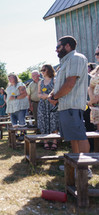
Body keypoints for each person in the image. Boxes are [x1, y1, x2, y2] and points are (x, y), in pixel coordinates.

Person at [48, 36, 90, 175]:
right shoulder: (65, 62)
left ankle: (85, 169)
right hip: (65, 106)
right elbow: (61, 85)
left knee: (79, 136)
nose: (56, 50)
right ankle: (76, 165)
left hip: (72, 105)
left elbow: (70, 83)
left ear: (67, 46)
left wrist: (55, 97)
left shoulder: (76, 58)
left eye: (58, 47)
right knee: (73, 137)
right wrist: (52, 95)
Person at [37, 65, 59, 150]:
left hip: (52, 104)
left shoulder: (54, 80)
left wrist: (48, 96)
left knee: (53, 122)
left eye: (44, 70)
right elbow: (38, 93)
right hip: (42, 104)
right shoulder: (40, 82)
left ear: (49, 70)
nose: (42, 71)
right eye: (41, 70)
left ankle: (54, 142)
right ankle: (45, 142)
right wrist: (42, 96)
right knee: (43, 122)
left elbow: (57, 92)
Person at [6, 73, 29, 141]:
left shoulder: (20, 85)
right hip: (11, 107)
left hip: (20, 106)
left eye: (11, 78)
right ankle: (15, 135)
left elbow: (25, 94)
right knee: (14, 123)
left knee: (22, 122)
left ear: (15, 78)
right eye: (9, 78)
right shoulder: (9, 87)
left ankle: (23, 135)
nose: (10, 79)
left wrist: (15, 97)